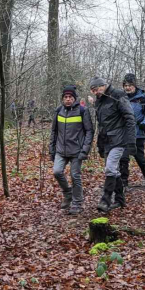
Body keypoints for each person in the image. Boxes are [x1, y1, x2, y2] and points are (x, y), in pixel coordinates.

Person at [89, 77, 136, 212]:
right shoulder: (99, 101)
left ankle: (106, 199)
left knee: (110, 169)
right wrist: (100, 145)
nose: (95, 93)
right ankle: (120, 200)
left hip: (119, 140)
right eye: (93, 91)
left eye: (96, 89)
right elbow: (102, 125)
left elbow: (130, 118)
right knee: (113, 171)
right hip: (106, 141)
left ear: (103, 86)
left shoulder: (118, 95)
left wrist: (131, 142)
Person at [49, 85, 94, 214]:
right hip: (60, 150)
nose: (68, 99)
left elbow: (89, 131)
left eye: (70, 97)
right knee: (57, 172)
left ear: (74, 98)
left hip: (76, 151)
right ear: (62, 99)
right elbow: (54, 131)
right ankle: (68, 193)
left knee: (75, 176)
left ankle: (77, 202)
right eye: (65, 97)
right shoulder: (58, 111)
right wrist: (51, 149)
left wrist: (85, 150)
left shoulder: (82, 111)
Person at [118, 74, 145, 187]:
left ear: (135, 85)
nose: (127, 87)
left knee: (139, 158)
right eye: (125, 85)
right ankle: (124, 183)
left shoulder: (142, 98)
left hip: (138, 132)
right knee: (123, 158)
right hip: (124, 133)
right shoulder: (120, 97)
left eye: (130, 85)